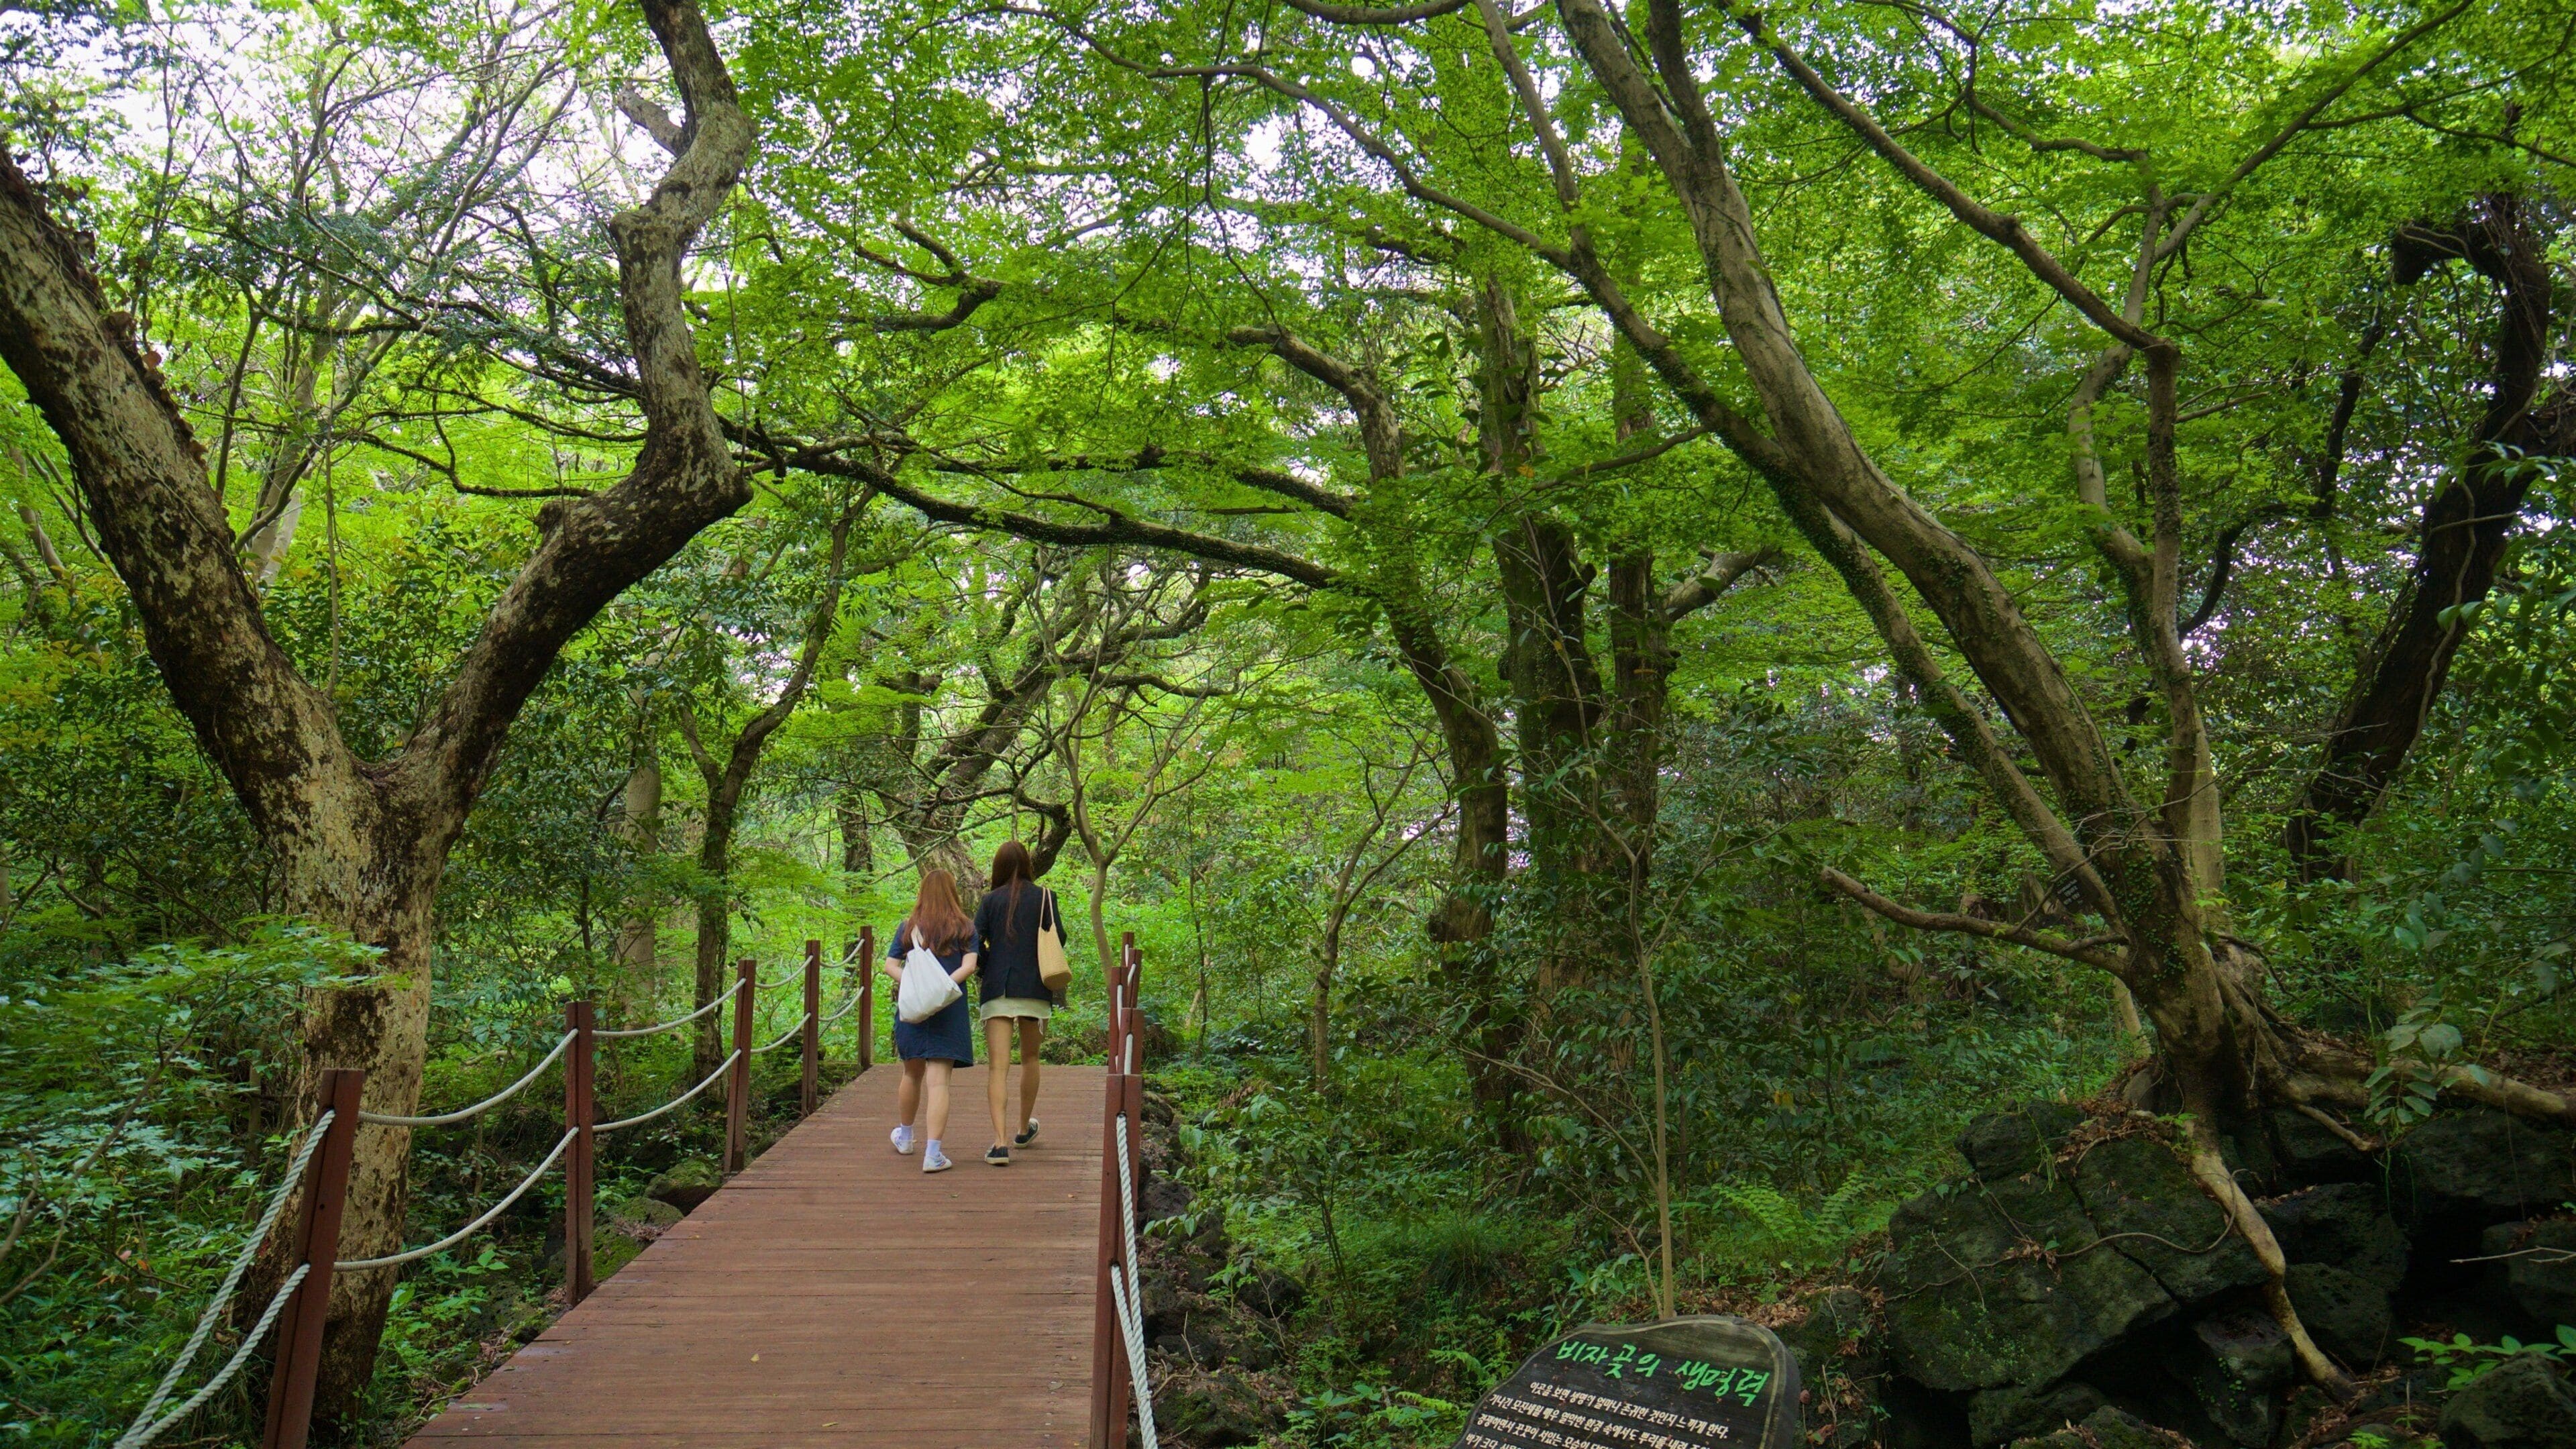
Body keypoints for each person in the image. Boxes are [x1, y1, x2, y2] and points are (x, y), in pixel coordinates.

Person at [969, 840, 1063, 1165]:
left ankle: (999, 1144)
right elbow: (1058, 938)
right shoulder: (1045, 898)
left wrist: (987, 966)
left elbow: (973, 941)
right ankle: (1023, 1129)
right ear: (1027, 864)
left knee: (998, 1067)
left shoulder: (990, 901)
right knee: (1031, 1058)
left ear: (999, 867)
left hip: (998, 989)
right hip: (1036, 987)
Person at [883, 869, 978, 1174]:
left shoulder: (908, 927)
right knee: (939, 1083)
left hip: (913, 1009)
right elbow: (971, 965)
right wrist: (943, 988)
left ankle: (906, 1137)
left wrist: (916, 986)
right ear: (953, 892)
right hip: (948, 1010)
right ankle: (933, 1154)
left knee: (912, 1074)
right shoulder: (965, 928)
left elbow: (890, 966)